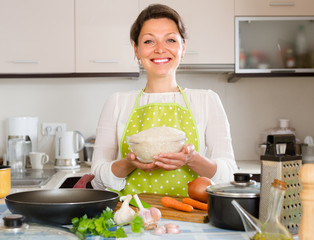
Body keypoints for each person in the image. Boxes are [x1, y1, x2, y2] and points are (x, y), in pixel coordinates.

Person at [91, 4, 238, 196]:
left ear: (182, 48)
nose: (160, 49)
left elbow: (229, 175)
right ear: (136, 50)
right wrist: (128, 164)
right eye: (149, 41)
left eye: (170, 40)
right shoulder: (117, 102)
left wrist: (191, 159)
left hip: (191, 218)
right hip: (132, 219)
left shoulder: (207, 100)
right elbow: (96, 180)